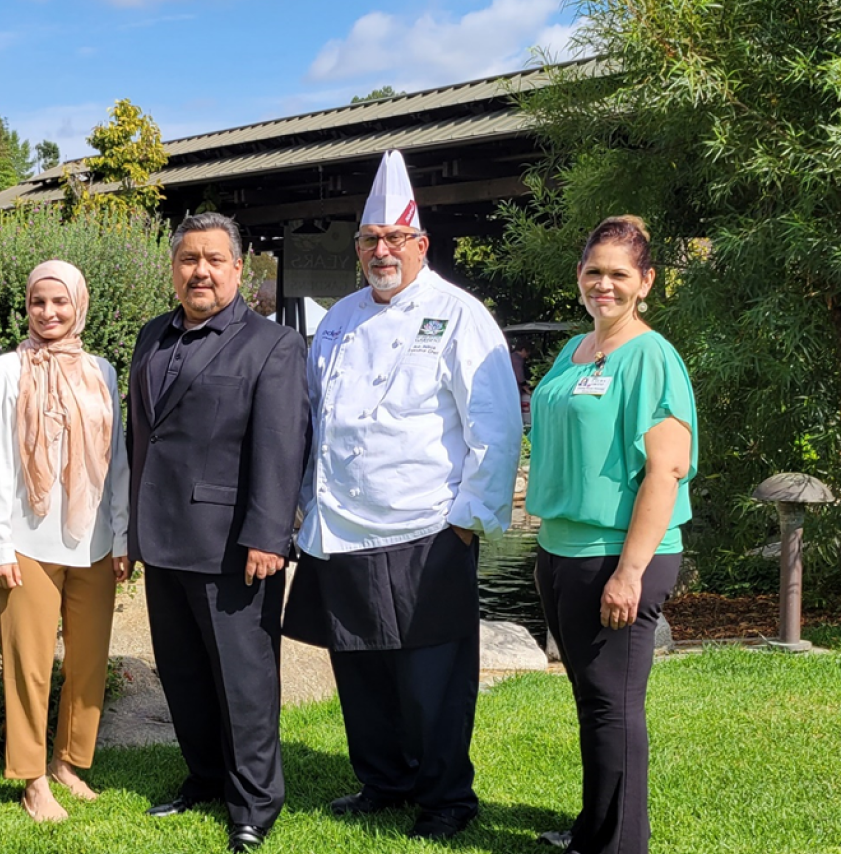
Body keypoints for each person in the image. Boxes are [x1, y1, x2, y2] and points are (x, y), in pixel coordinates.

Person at [283, 150, 523, 842]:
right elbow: (315, 419)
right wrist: (306, 503)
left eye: (395, 238)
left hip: (425, 528)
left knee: (431, 681)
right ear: (358, 248)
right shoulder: (337, 319)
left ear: (421, 244)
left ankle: (447, 799)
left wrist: (469, 521)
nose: (381, 251)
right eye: (369, 240)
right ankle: (382, 781)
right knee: (359, 671)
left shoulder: (459, 314)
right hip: (341, 527)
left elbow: (496, 426)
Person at [127, 212, 309, 853]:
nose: (199, 271)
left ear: (238, 268)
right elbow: (141, 441)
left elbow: (282, 448)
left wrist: (269, 535)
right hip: (163, 537)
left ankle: (255, 803)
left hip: (237, 545)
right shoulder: (152, 337)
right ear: (173, 268)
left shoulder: (273, 345)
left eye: (212, 260)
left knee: (244, 680)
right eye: (187, 259)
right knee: (182, 672)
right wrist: (131, 533)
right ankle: (204, 776)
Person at [526, 216, 696, 854]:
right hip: (561, 548)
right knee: (593, 700)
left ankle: (620, 844)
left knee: (613, 707)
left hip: (618, 556)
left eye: (619, 274)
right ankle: (593, 830)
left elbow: (666, 469)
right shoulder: (577, 349)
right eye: (594, 271)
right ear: (578, 276)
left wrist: (629, 572)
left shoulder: (651, 356)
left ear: (645, 282)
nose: (605, 284)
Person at [0, 260, 130, 823]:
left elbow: (117, 459)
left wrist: (122, 532)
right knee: (29, 664)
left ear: (80, 305)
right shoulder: (4, 372)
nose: (49, 313)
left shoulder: (102, 371)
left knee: (88, 662)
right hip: (25, 540)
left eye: (60, 302)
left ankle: (70, 763)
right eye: (38, 302)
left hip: (92, 541)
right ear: (27, 306)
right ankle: (33, 777)